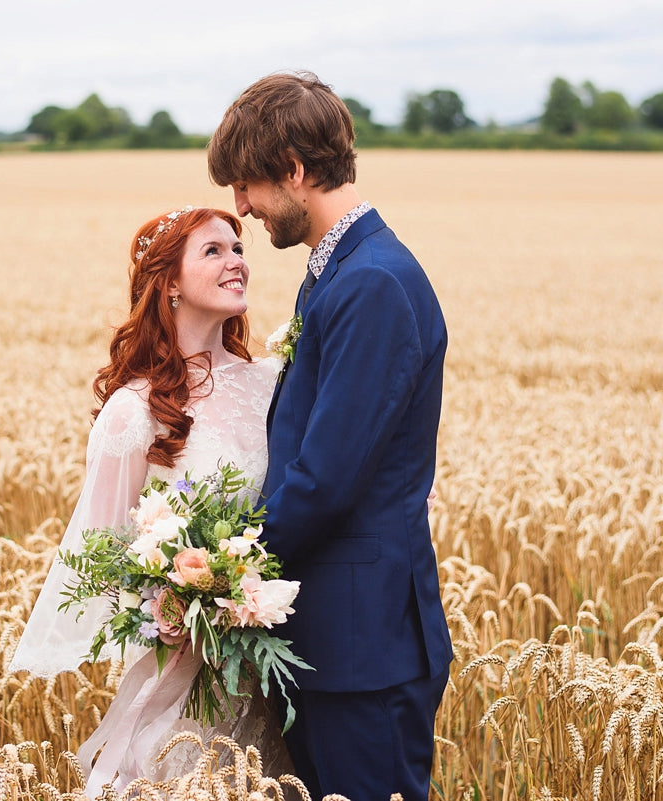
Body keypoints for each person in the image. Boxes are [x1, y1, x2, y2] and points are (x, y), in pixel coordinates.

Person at [207, 71, 452, 801]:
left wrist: (219, 573)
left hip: (365, 644)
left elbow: (327, 478)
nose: (242, 209)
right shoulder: (339, 271)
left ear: (295, 169)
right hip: (341, 638)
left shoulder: (370, 281)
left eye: (248, 186)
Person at [7, 206, 293, 792]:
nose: (236, 260)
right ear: (168, 284)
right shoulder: (134, 412)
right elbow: (104, 551)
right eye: (213, 251)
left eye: (238, 248)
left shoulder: (272, 381)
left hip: (280, 660)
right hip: (189, 675)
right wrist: (172, 605)